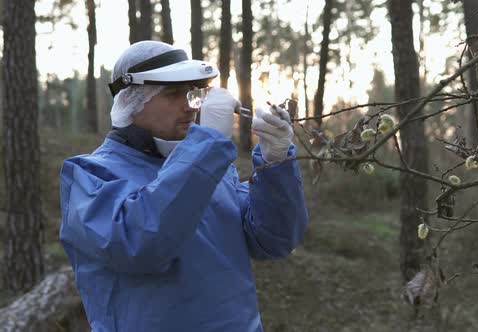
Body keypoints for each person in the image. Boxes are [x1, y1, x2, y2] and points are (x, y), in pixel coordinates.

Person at [59, 40, 308, 331]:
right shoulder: (90, 175)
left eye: (191, 92)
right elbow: (140, 245)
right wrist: (206, 147)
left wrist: (274, 163)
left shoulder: (211, 167)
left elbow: (274, 242)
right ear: (131, 101)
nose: (189, 106)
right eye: (173, 93)